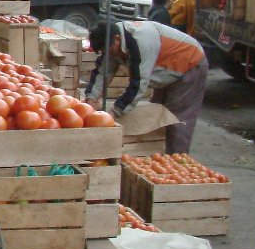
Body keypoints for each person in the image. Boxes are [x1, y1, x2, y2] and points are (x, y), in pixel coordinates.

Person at [85, 19, 208, 154]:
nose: (108, 54)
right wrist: (90, 99)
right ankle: (157, 158)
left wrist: (115, 112)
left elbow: (138, 84)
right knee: (156, 116)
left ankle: (177, 164)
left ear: (117, 39)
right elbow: (103, 71)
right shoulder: (112, 39)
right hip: (165, 71)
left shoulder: (141, 42)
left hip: (189, 64)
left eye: (108, 50)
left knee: (176, 121)